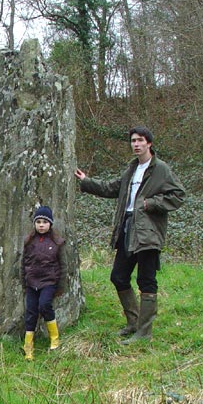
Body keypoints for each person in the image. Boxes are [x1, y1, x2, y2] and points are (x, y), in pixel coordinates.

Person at [75, 126, 185, 343]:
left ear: (149, 143)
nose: (136, 144)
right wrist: (86, 181)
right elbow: (111, 188)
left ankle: (144, 333)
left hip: (148, 234)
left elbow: (178, 195)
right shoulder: (131, 168)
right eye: (133, 141)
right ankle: (133, 323)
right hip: (127, 229)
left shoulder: (161, 169)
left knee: (146, 280)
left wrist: (150, 203)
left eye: (140, 140)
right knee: (118, 276)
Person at [21, 205, 66, 360]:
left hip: (49, 281)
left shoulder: (57, 242)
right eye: (38, 222)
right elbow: (23, 263)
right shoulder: (29, 241)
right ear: (34, 224)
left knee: (44, 305)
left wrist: (60, 286)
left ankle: (55, 339)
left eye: (45, 222)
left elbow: (63, 266)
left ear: (50, 224)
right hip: (31, 282)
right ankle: (28, 345)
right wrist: (24, 281)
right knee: (31, 312)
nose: (41, 225)